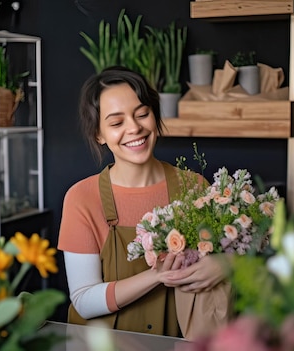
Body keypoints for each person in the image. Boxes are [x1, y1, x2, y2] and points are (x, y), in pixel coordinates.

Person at [58, 66, 227, 337]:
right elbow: (84, 300)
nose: (134, 128)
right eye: (116, 123)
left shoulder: (194, 187)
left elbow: (229, 253)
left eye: (142, 114)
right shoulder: (81, 199)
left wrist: (226, 264)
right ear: (99, 134)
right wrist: (157, 275)